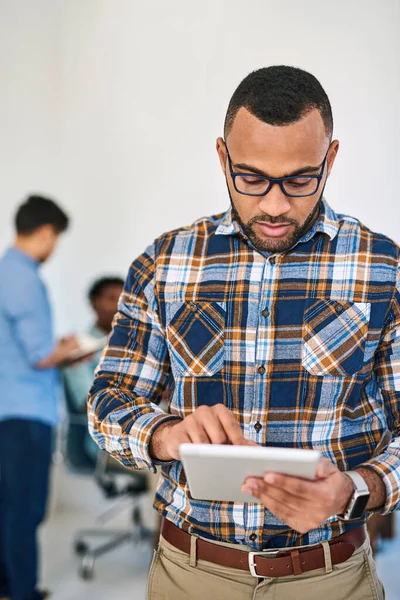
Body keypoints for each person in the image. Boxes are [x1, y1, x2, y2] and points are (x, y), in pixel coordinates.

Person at [87, 66, 398, 599]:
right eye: (250, 178)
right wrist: (164, 435)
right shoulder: (164, 264)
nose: (275, 206)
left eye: (300, 179)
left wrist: (355, 490)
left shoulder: (383, 269)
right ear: (221, 156)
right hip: (189, 575)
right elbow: (107, 403)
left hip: (330, 578)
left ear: (332, 158)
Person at [0, 196, 78, 600]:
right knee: (24, 511)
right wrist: (74, 349)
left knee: (5, 507)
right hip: (25, 413)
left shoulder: (3, 271)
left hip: (4, 408)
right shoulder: (25, 278)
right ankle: (23, 592)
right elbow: (39, 356)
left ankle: (7, 586)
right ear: (46, 232)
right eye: (56, 239)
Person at [63, 276, 124, 458]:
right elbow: (86, 402)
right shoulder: (79, 349)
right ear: (94, 303)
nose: (118, 306)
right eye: (111, 298)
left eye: (124, 299)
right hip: (103, 444)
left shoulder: (135, 349)